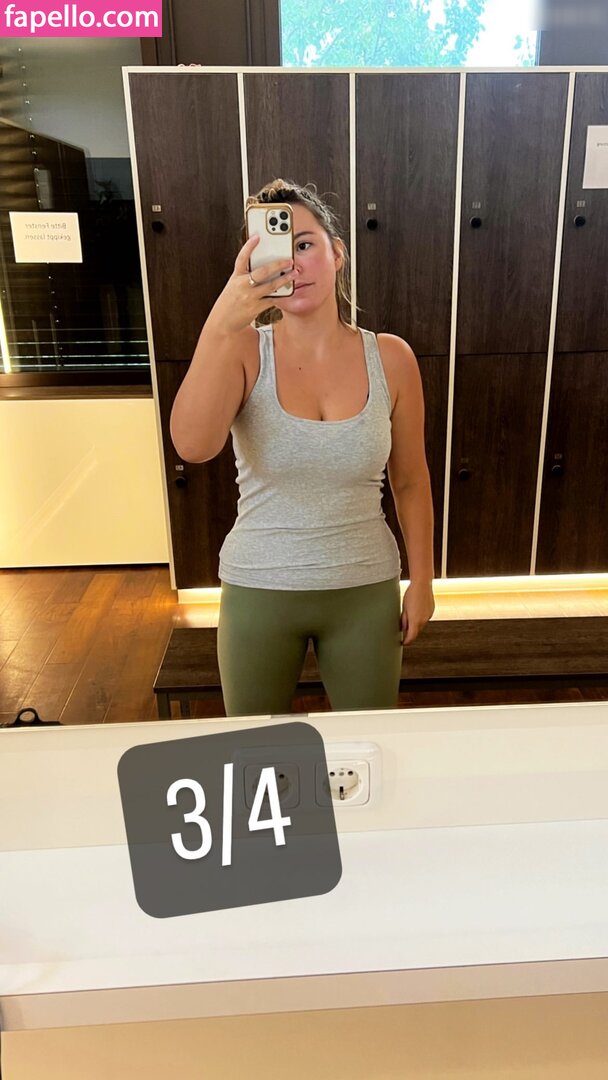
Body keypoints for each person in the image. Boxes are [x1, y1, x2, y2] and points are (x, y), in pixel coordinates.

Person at [170, 179, 435, 717]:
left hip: (364, 588)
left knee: (367, 747)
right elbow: (193, 446)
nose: (292, 263)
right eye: (274, 249)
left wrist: (424, 583)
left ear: (337, 254)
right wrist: (222, 322)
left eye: (305, 244)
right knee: (255, 751)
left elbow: (411, 480)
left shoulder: (392, 358)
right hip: (260, 587)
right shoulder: (244, 350)